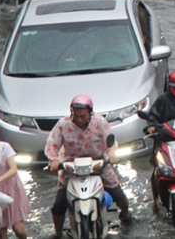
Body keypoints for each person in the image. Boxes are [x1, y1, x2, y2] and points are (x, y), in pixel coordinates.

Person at [44, 95, 131, 236]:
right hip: (71, 167)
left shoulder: (100, 122)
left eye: (83, 116)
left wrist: (112, 154)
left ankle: (125, 214)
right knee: (59, 204)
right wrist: (53, 160)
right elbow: (51, 144)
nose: (79, 119)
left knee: (119, 195)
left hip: (98, 165)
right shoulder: (63, 124)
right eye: (76, 115)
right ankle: (58, 231)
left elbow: (111, 142)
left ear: (90, 112)